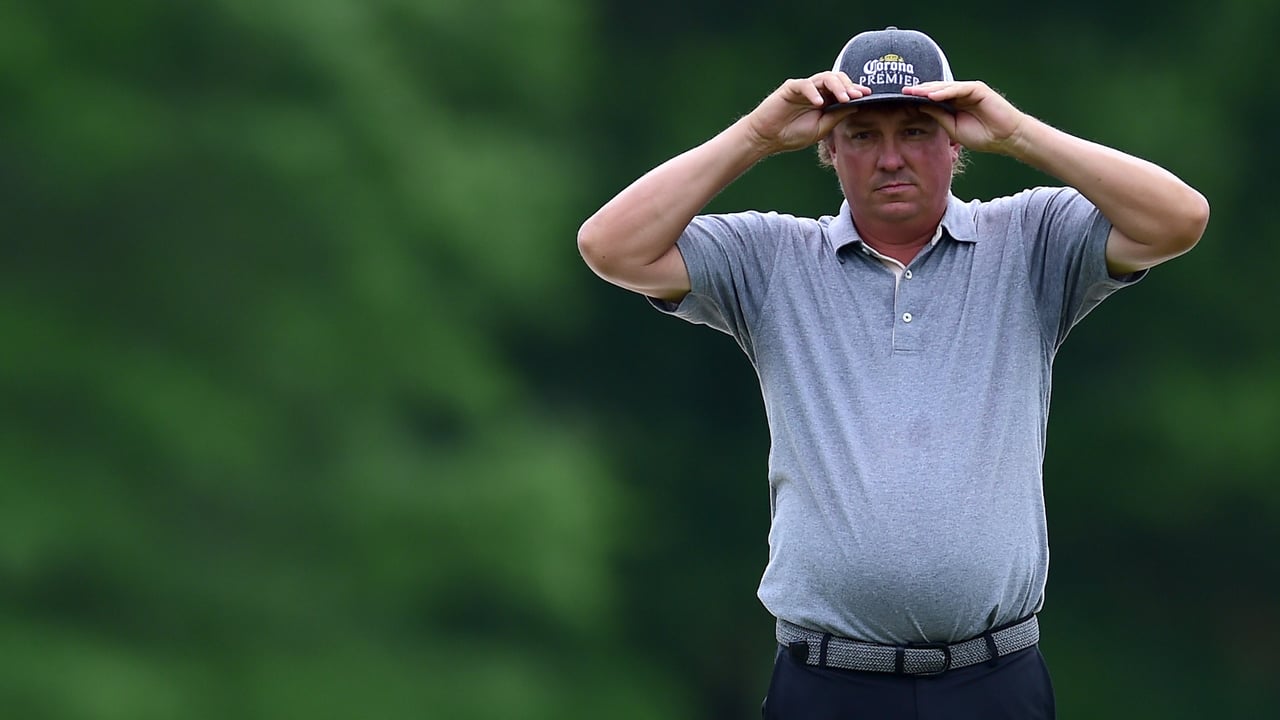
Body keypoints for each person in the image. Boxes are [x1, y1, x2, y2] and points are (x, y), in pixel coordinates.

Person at [577, 26, 1208, 720]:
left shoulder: (1029, 240)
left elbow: (1178, 219)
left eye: (915, 130)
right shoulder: (776, 257)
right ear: (828, 149)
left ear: (956, 141)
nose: (890, 159)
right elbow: (611, 246)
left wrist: (1023, 133)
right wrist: (756, 134)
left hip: (993, 678)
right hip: (828, 681)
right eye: (862, 136)